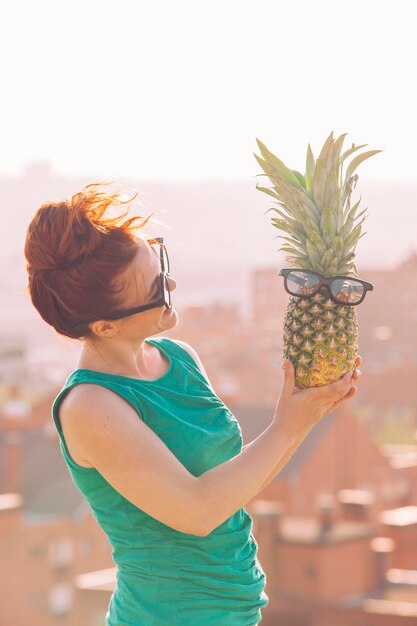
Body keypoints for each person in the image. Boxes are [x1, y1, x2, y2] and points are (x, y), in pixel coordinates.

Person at [24, 182, 361, 626]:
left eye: (160, 265)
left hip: (236, 611)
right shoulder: (90, 406)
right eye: (154, 287)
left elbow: (226, 483)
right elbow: (198, 511)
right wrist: (290, 424)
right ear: (104, 326)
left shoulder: (179, 357)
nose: (172, 285)